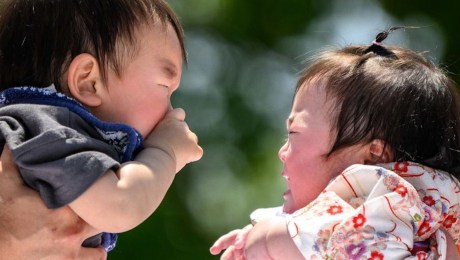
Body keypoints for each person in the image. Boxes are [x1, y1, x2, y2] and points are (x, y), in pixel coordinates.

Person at [210, 27, 460, 259]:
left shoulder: (381, 218)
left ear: (373, 157)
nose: (282, 152)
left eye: (294, 133)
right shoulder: (435, 221)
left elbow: (328, 240)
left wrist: (263, 240)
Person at [0, 0, 203, 255]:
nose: (172, 113)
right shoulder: (45, 130)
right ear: (88, 81)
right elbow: (122, 203)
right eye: (164, 86)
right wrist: (166, 152)